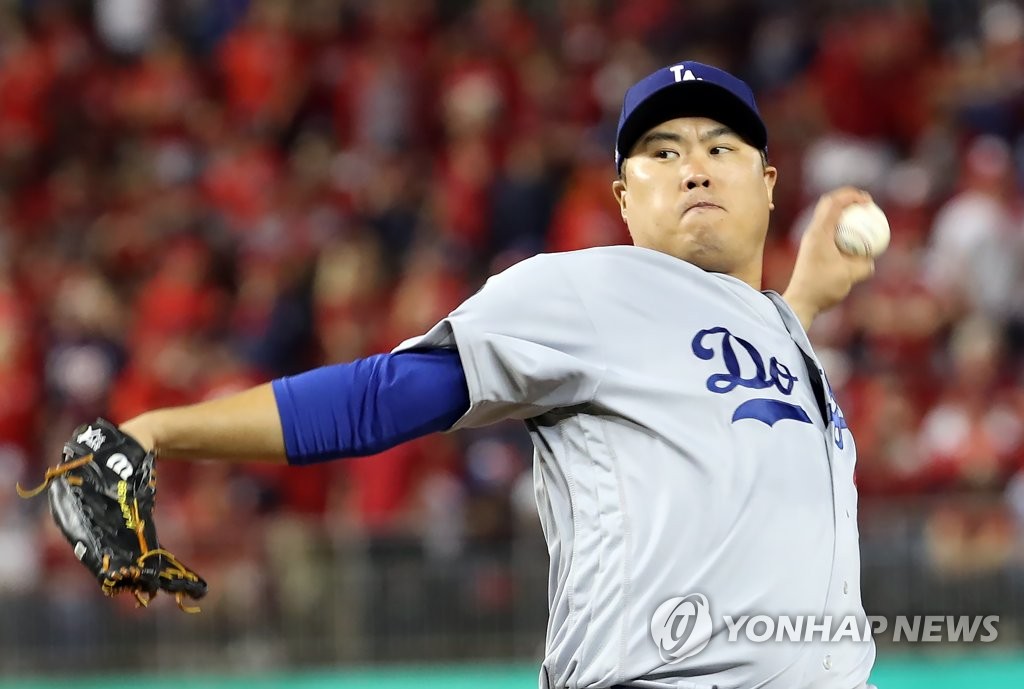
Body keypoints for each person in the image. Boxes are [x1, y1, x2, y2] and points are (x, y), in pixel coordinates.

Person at [116, 61, 878, 688]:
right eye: (664, 152)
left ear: (769, 182)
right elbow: (383, 396)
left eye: (720, 147)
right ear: (622, 197)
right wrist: (158, 430)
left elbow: (710, 380)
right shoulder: (587, 291)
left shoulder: (781, 334)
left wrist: (804, 301)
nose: (695, 170)